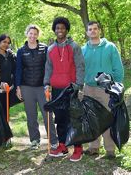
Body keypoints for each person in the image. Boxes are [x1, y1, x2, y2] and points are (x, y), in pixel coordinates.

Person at [44, 17, 85, 162]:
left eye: (62, 28)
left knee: (73, 118)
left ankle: (78, 148)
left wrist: (79, 86)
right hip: (56, 88)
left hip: (71, 88)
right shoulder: (50, 49)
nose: (59, 30)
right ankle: (62, 146)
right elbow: (48, 68)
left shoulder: (74, 46)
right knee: (60, 118)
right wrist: (46, 84)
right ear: (54, 30)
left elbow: (80, 66)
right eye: (57, 28)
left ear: (66, 30)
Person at [81, 21, 124, 159]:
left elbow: (118, 68)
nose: (92, 31)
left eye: (95, 29)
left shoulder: (110, 47)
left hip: (106, 89)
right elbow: (80, 70)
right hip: (88, 89)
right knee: (92, 119)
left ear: (99, 30)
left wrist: (116, 87)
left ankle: (110, 150)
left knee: (107, 118)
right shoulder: (83, 50)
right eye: (90, 29)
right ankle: (93, 147)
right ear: (87, 32)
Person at [16, 24, 58, 150]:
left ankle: (53, 140)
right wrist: (18, 87)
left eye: (35, 34)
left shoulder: (45, 48)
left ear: (38, 35)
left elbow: (49, 67)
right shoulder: (21, 51)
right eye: (30, 33)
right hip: (26, 87)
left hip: (42, 87)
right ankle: (34, 140)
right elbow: (18, 69)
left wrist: (49, 84)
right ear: (27, 34)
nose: (32, 36)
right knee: (31, 115)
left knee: (47, 114)